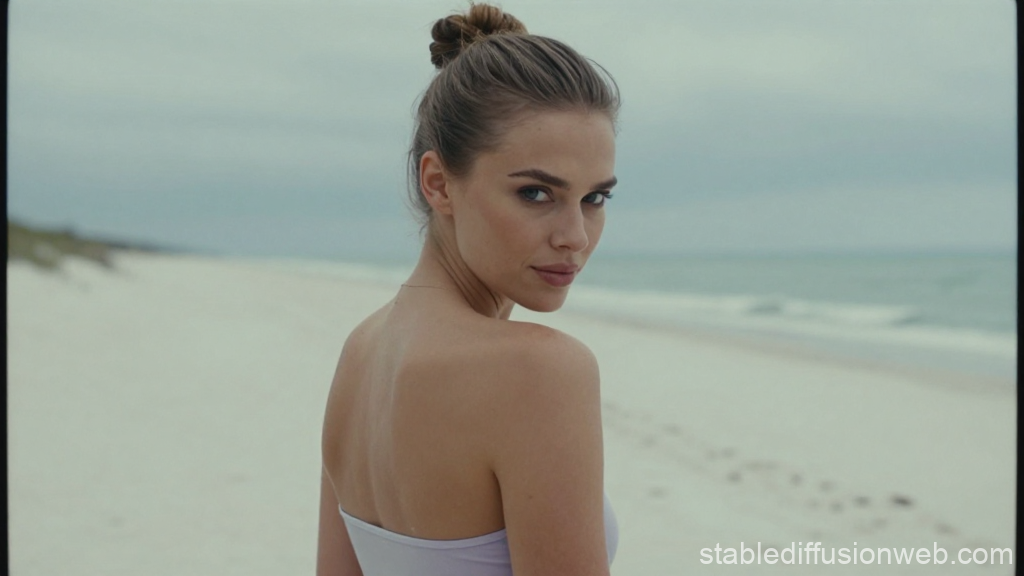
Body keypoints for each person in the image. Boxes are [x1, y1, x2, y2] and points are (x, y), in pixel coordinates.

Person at [316, 3, 620, 575]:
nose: (575, 236)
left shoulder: (362, 351)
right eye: (536, 193)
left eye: (595, 198)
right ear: (438, 183)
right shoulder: (540, 370)